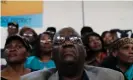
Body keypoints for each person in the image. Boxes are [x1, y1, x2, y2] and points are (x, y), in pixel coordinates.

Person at [21, 27, 124, 80]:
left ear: (85, 51)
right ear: (52, 54)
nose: (68, 43)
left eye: (75, 40)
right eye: (60, 41)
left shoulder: (112, 77)